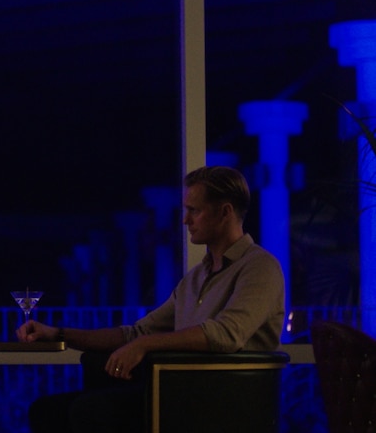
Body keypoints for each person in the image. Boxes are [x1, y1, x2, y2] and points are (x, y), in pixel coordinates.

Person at [16, 166, 285, 433]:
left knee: (89, 412)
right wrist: (57, 333)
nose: (185, 220)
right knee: (47, 411)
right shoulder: (196, 277)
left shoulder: (259, 267)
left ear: (225, 212)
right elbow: (137, 332)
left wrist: (146, 344)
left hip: (222, 399)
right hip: (180, 391)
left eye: (195, 210)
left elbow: (227, 334)